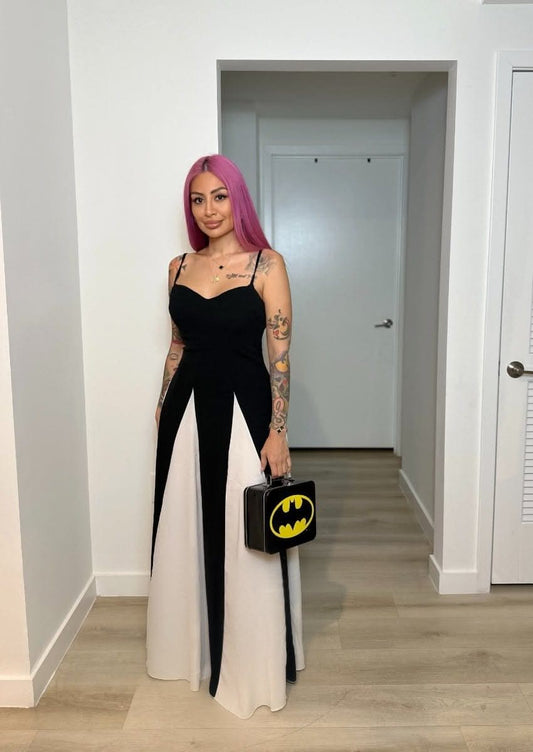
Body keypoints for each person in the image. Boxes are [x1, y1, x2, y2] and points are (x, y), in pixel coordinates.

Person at [146, 154, 304, 719]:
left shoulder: (267, 264)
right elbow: (178, 345)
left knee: (246, 529)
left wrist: (278, 431)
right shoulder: (177, 266)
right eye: (197, 199)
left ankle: (250, 658)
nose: (208, 210)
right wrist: (162, 402)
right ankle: (192, 649)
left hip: (244, 408)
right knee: (185, 520)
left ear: (237, 199)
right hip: (186, 411)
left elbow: (279, 356)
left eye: (219, 196)